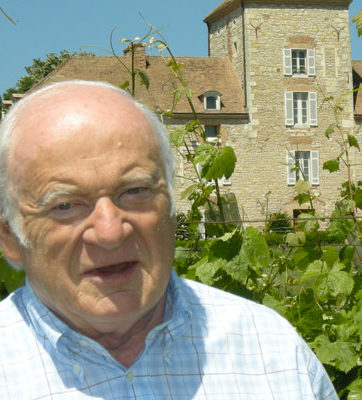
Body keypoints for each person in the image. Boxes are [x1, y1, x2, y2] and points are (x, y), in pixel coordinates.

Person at [0, 80, 338, 400]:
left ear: (172, 206)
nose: (110, 232)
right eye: (65, 205)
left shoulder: (272, 351)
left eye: (134, 191)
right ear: (10, 237)